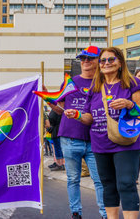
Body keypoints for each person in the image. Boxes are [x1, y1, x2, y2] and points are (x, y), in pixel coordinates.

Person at [65, 47, 140, 219]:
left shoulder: (131, 83)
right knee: (108, 185)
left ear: (120, 63)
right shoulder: (95, 88)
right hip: (100, 143)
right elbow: (89, 118)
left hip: (126, 142)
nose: (106, 63)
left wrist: (129, 104)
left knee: (126, 184)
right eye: (103, 60)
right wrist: (77, 115)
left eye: (111, 59)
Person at [49, 46, 106, 219]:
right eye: (82, 58)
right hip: (70, 138)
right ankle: (76, 213)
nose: (85, 61)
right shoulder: (70, 82)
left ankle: (105, 214)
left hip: (96, 139)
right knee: (73, 179)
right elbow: (60, 110)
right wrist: (47, 100)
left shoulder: (104, 83)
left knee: (100, 180)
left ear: (98, 61)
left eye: (90, 58)